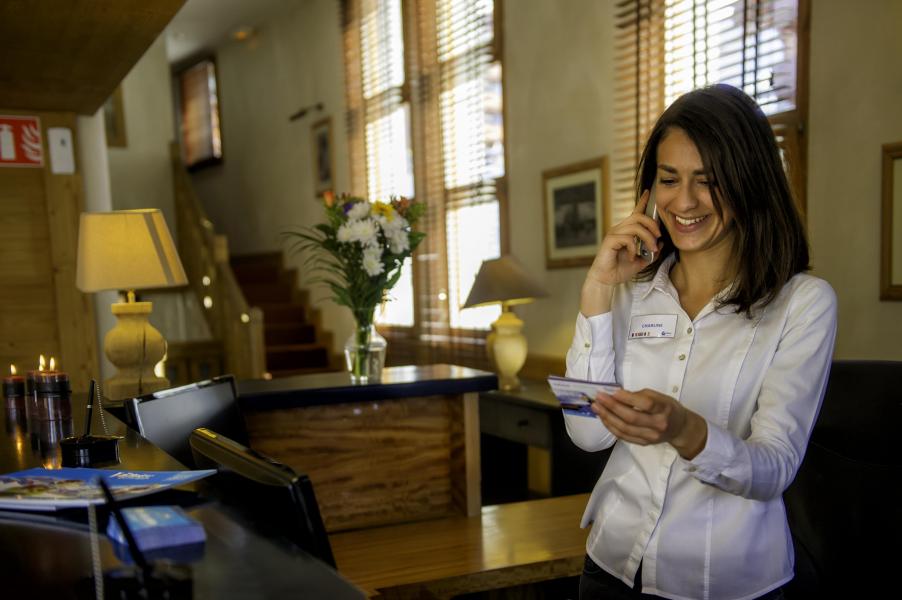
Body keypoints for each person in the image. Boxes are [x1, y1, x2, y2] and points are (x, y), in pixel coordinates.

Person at [565, 84, 837, 600]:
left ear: (749, 183)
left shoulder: (804, 304)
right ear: (648, 190)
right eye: (669, 179)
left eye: (707, 182)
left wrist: (688, 430)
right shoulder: (629, 290)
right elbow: (588, 437)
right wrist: (598, 288)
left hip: (728, 583)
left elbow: (774, 467)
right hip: (613, 569)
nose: (683, 202)